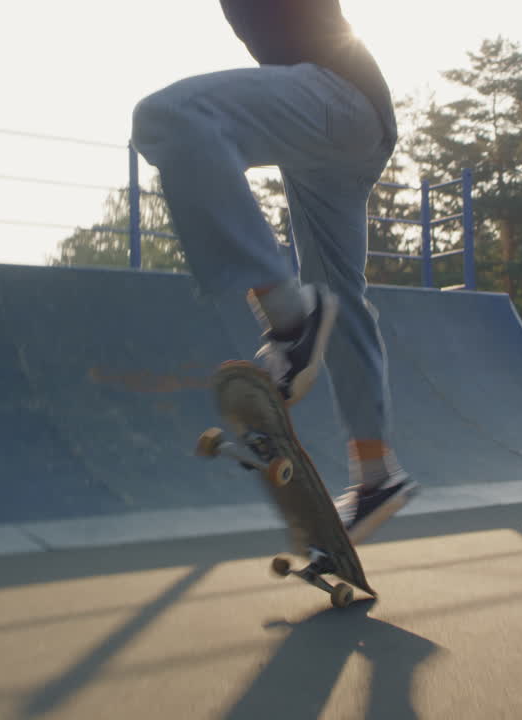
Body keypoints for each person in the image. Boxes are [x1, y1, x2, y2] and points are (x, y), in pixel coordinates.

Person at [131, 0, 418, 541]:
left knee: (171, 117)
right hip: (349, 130)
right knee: (338, 297)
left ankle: (291, 319)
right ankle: (377, 473)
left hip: (338, 99)